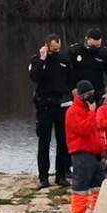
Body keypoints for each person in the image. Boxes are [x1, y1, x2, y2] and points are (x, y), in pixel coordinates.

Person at [29, 33, 72, 189]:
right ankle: (43, 177)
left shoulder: (64, 60)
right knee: (44, 141)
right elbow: (34, 77)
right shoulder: (36, 60)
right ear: (46, 46)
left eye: (58, 48)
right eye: (53, 48)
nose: (56, 51)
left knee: (63, 141)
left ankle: (61, 175)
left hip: (62, 104)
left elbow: (70, 79)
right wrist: (42, 59)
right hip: (44, 105)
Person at [65, 80, 105, 213]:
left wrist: (102, 153)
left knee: (98, 188)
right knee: (80, 189)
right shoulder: (73, 112)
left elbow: (96, 134)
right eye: (88, 95)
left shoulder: (90, 111)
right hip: (81, 154)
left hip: (94, 155)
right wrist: (91, 112)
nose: (91, 97)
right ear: (81, 96)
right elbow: (85, 130)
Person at [67, 28, 107, 100]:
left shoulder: (104, 53)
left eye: (97, 46)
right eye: (91, 45)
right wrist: (72, 88)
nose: (94, 48)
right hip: (78, 92)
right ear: (86, 39)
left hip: (97, 92)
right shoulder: (74, 51)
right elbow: (66, 71)